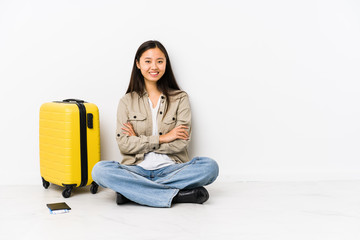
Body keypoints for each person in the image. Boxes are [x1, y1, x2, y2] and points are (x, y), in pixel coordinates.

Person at [91, 40, 219, 208]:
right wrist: (164, 138)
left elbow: (181, 143)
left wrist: (139, 140)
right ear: (138, 64)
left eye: (160, 61)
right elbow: (124, 145)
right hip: (136, 169)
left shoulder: (180, 98)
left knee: (210, 167)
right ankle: (177, 196)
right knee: (99, 170)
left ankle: (133, 193)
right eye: (148, 61)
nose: (154, 67)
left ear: (166, 63)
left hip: (172, 169)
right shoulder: (127, 101)